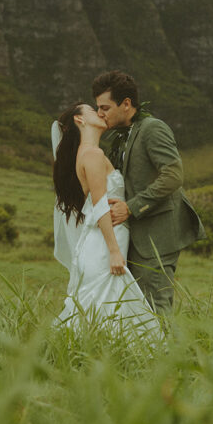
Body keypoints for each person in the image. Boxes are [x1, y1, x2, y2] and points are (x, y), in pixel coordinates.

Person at [92, 70, 205, 313]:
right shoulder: (122, 136)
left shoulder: (153, 129)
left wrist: (131, 207)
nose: (99, 114)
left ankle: (168, 352)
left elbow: (173, 175)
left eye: (104, 108)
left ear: (126, 104)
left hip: (158, 235)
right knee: (137, 310)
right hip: (136, 237)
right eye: (97, 108)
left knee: (156, 308)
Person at [51, 102, 161, 337]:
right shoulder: (92, 154)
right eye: (92, 110)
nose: (100, 113)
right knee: (105, 303)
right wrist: (113, 250)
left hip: (104, 238)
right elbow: (100, 205)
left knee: (108, 306)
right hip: (103, 243)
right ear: (80, 120)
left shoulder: (89, 152)